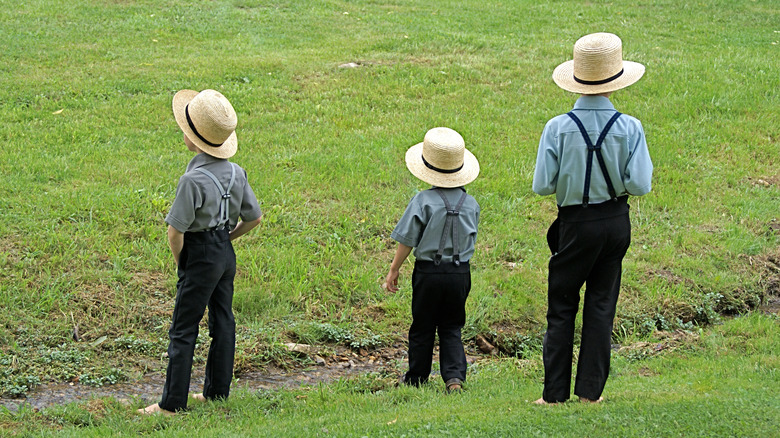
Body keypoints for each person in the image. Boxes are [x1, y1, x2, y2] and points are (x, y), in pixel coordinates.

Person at [531, 33, 653, 404]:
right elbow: (640, 184)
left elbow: (542, 185)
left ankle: (554, 394)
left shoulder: (557, 127)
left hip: (575, 222)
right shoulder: (630, 127)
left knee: (562, 305)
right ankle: (591, 393)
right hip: (615, 220)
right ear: (616, 78)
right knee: (602, 305)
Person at [140, 89, 263, 414]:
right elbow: (255, 217)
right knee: (223, 322)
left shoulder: (192, 180)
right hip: (224, 252)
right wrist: (227, 240)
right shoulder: (237, 173)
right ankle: (216, 393)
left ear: (194, 138)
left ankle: (171, 404)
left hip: (198, 254)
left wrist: (184, 263)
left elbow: (175, 231)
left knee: (184, 328)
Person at [382, 127, 480, 393]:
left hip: (428, 272)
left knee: (423, 326)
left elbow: (407, 239)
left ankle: (417, 378)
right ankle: (455, 378)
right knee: (452, 326)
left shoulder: (422, 200)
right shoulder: (471, 204)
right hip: (460, 273)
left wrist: (394, 269)